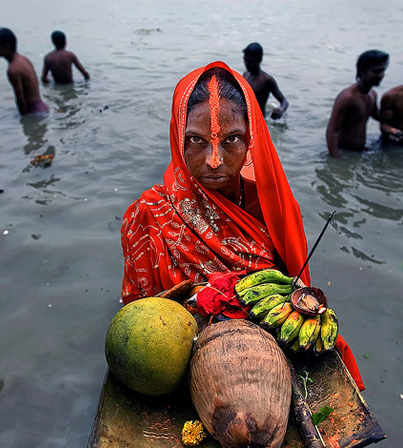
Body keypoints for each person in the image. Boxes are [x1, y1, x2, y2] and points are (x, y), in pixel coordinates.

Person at [120, 61, 364, 391]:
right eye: (196, 140)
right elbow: (137, 318)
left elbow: (290, 291)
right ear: (177, 137)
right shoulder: (148, 214)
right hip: (179, 363)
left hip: (265, 363)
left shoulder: (274, 208)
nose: (214, 161)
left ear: (252, 140)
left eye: (232, 139)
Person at [325, 50, 389, 158]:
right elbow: (331, 131)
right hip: (344, 150)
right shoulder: (348, 97)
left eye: (383, 71)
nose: (381, 75)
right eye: (376, 71)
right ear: (362, 71)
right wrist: (336, 160)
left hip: (361, 149)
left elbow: (377, 116)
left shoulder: (372, 94)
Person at [0, 28, 49, 115]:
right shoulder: (23, 59)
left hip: (34, 111)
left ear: (6, 46)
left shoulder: (13, 69)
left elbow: (20, 100)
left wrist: (24, 119)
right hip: (41, 107)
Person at [242, 43, 289, 119]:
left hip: (257, 121)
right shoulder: (245, 74)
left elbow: (284, 101)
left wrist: (280, 110)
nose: (247, 64)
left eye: (250, 61)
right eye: (245, 60)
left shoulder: (266, 80)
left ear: (259, 60)